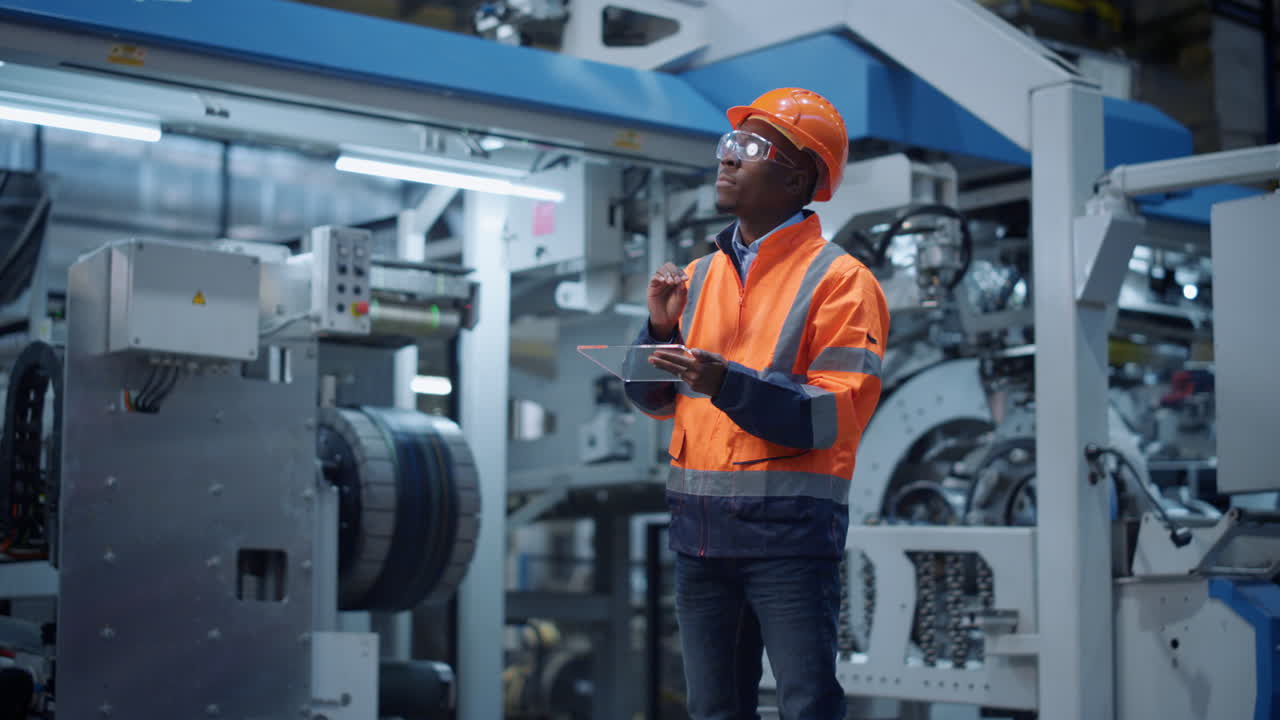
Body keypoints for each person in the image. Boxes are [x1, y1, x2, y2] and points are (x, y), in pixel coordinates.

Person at [624, 88, 890, 720]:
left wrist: (726, 383)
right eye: (727, 146)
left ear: (797, 175)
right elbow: (654, 401)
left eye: (749, 147)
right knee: (713, 711)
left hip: (789, 540)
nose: (728, 160)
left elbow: (830, 415)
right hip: (699, 541)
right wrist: (658, 332)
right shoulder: (699, 275)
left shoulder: (844, 284)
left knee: (807, 706)